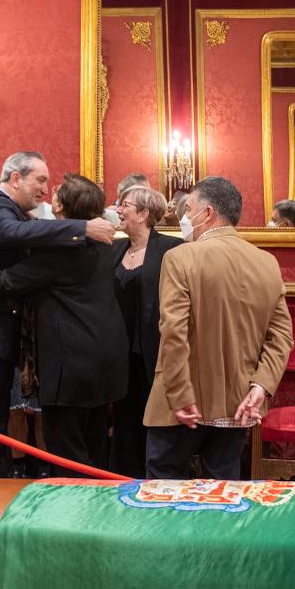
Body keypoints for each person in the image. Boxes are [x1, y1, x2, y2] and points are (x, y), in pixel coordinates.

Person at [0, 151, 116, 477]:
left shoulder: (14, 212)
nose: (44, 189)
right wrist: (82, 227)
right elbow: (15, 235)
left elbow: (29, 231)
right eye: (40, 180)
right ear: (15, 178)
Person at [144, 176, 294, 480]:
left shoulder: (179, 257)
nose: (185, 218)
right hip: (239, 403)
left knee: (163, 492)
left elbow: (173, 332)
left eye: (189, 210)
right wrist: (261, 387)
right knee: (224, 496)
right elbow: (281, 337)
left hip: (181, 405)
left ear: (208, 212)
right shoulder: (267, 262)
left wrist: (179, 392)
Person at [110, 185, 181, 477]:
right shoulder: (115, 249)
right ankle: (122, 480)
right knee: (122, 421)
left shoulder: (170, 249)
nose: (118, 210)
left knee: (152, 422)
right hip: (118, 354)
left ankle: (152, 482)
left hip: (153, 352)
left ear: (143, 213)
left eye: (124, 204)